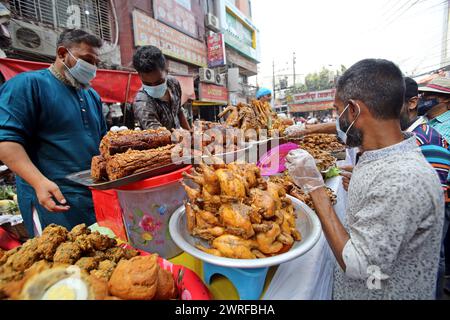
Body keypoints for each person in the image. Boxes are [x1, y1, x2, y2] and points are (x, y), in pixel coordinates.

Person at [286, 59, 444, 300]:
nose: (336, 121)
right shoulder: (380, 157)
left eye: (336, 111)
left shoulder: (402, 178)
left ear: (353, 110)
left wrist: (316, 187)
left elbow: (358, 264)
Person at [0, 29, 107, 236]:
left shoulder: (92, 96)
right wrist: (38, 182)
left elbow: (102, 144)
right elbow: (5, 142)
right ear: (61, 53)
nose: (92, 67)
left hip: (91, 198)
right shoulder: (27, 85)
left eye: (96, 63)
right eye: (86, 59)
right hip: (51, 200)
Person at [417, 78, 450, 296]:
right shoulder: (426, 123)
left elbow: (440, 169)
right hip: (429, 195)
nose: (423, 99)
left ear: (446, 100)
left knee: (434, 255)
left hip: (440, 198)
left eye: (429, 96)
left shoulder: (444, 127)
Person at [132, 46, 190, 131]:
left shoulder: (173, 83)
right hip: (162, 142)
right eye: (147, 83)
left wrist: (190, 133)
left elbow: (178, 110)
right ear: (139, 76)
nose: (154, 87)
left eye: (159, 82)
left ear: (166, 70)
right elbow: (159, 137)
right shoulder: (142, 103)